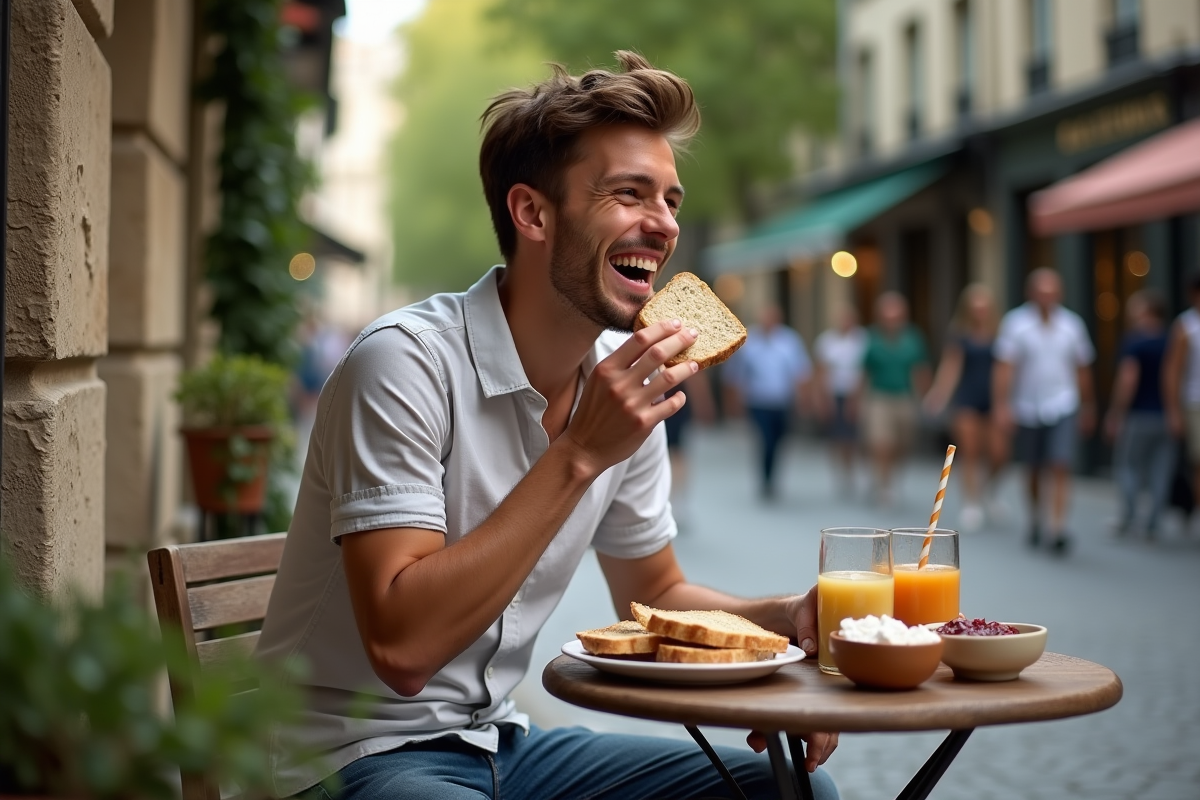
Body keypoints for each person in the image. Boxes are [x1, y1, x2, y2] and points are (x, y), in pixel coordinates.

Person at [256, 53, 839, 800]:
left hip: (503, 745)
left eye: (669, 199)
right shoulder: (403, 365)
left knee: (791, 794)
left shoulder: (620, 381)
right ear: (532, 213)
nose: (663, 224)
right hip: (349, 755)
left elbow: (653, 592)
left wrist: (783, 621)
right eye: (630, 194)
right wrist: (580, 453)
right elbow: (402, 649)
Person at [993, 268, 1096, 554]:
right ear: (1031, 294)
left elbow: (1082, 368)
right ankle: (1036, 518)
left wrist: (1088, 405)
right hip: (1027, 407)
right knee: (1034, 468)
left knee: (1060, 464)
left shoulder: (1072, 325)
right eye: (1042, 292)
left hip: (1063, 404)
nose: (1047, 297)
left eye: (1052, 292)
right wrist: (1002, 405)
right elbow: (1004, 368)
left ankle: (1057, 526)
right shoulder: (1015, 324)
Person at [923, 285, 1007, 532]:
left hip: (994, 399)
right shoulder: (960, 335)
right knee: (970, 452)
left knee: (999, 453)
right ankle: (971, 503)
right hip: (967, 399)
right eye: (975, 308)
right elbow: (951, 368)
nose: (980, 312)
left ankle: (987, 492)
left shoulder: (1001, 334)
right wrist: (938, 395)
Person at [722, 304, 813, 499]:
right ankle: (766, 480)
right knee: (766, 440)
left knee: (779, 441)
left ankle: (773, 475)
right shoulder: (750, 341)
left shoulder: (789, 341)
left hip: (782, 402)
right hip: (759, 401)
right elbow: (736, 375)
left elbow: (801, 372)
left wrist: (803, 399)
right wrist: (734, 401)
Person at [1104, 289, 1173, 539]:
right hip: (1166, 416)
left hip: (1138, 415)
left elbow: (1127, 379)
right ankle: (1153, 523)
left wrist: (1115, 413)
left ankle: (1129, 517)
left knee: (1129, 466)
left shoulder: (1134, 341)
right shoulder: (1171, 340)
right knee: (1159, 469)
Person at [857, 292, 930, 507]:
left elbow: (921, 369)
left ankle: (890, 476)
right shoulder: (872, 338)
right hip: (878, 397)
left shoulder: (913, 338)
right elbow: (864, 370)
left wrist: (925, 398)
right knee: (881, 442)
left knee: (902, 443)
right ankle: (883, 484)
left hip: (905, 396)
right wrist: (857, 400)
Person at [813, 305, 867, 497]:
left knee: (852, 436)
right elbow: (821, 371)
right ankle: (840, 472)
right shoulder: (826, 341)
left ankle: (851, 469)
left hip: (856, 394)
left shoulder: (863, 340)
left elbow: (865, 371)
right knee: (836, 436)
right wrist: (821, 399)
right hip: (834, 394)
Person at [1163, 274, 1200, 530]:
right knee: (1198, 462)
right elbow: (1173, 371)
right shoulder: (1186, 326)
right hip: (1195, 402)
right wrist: (1174, 411)